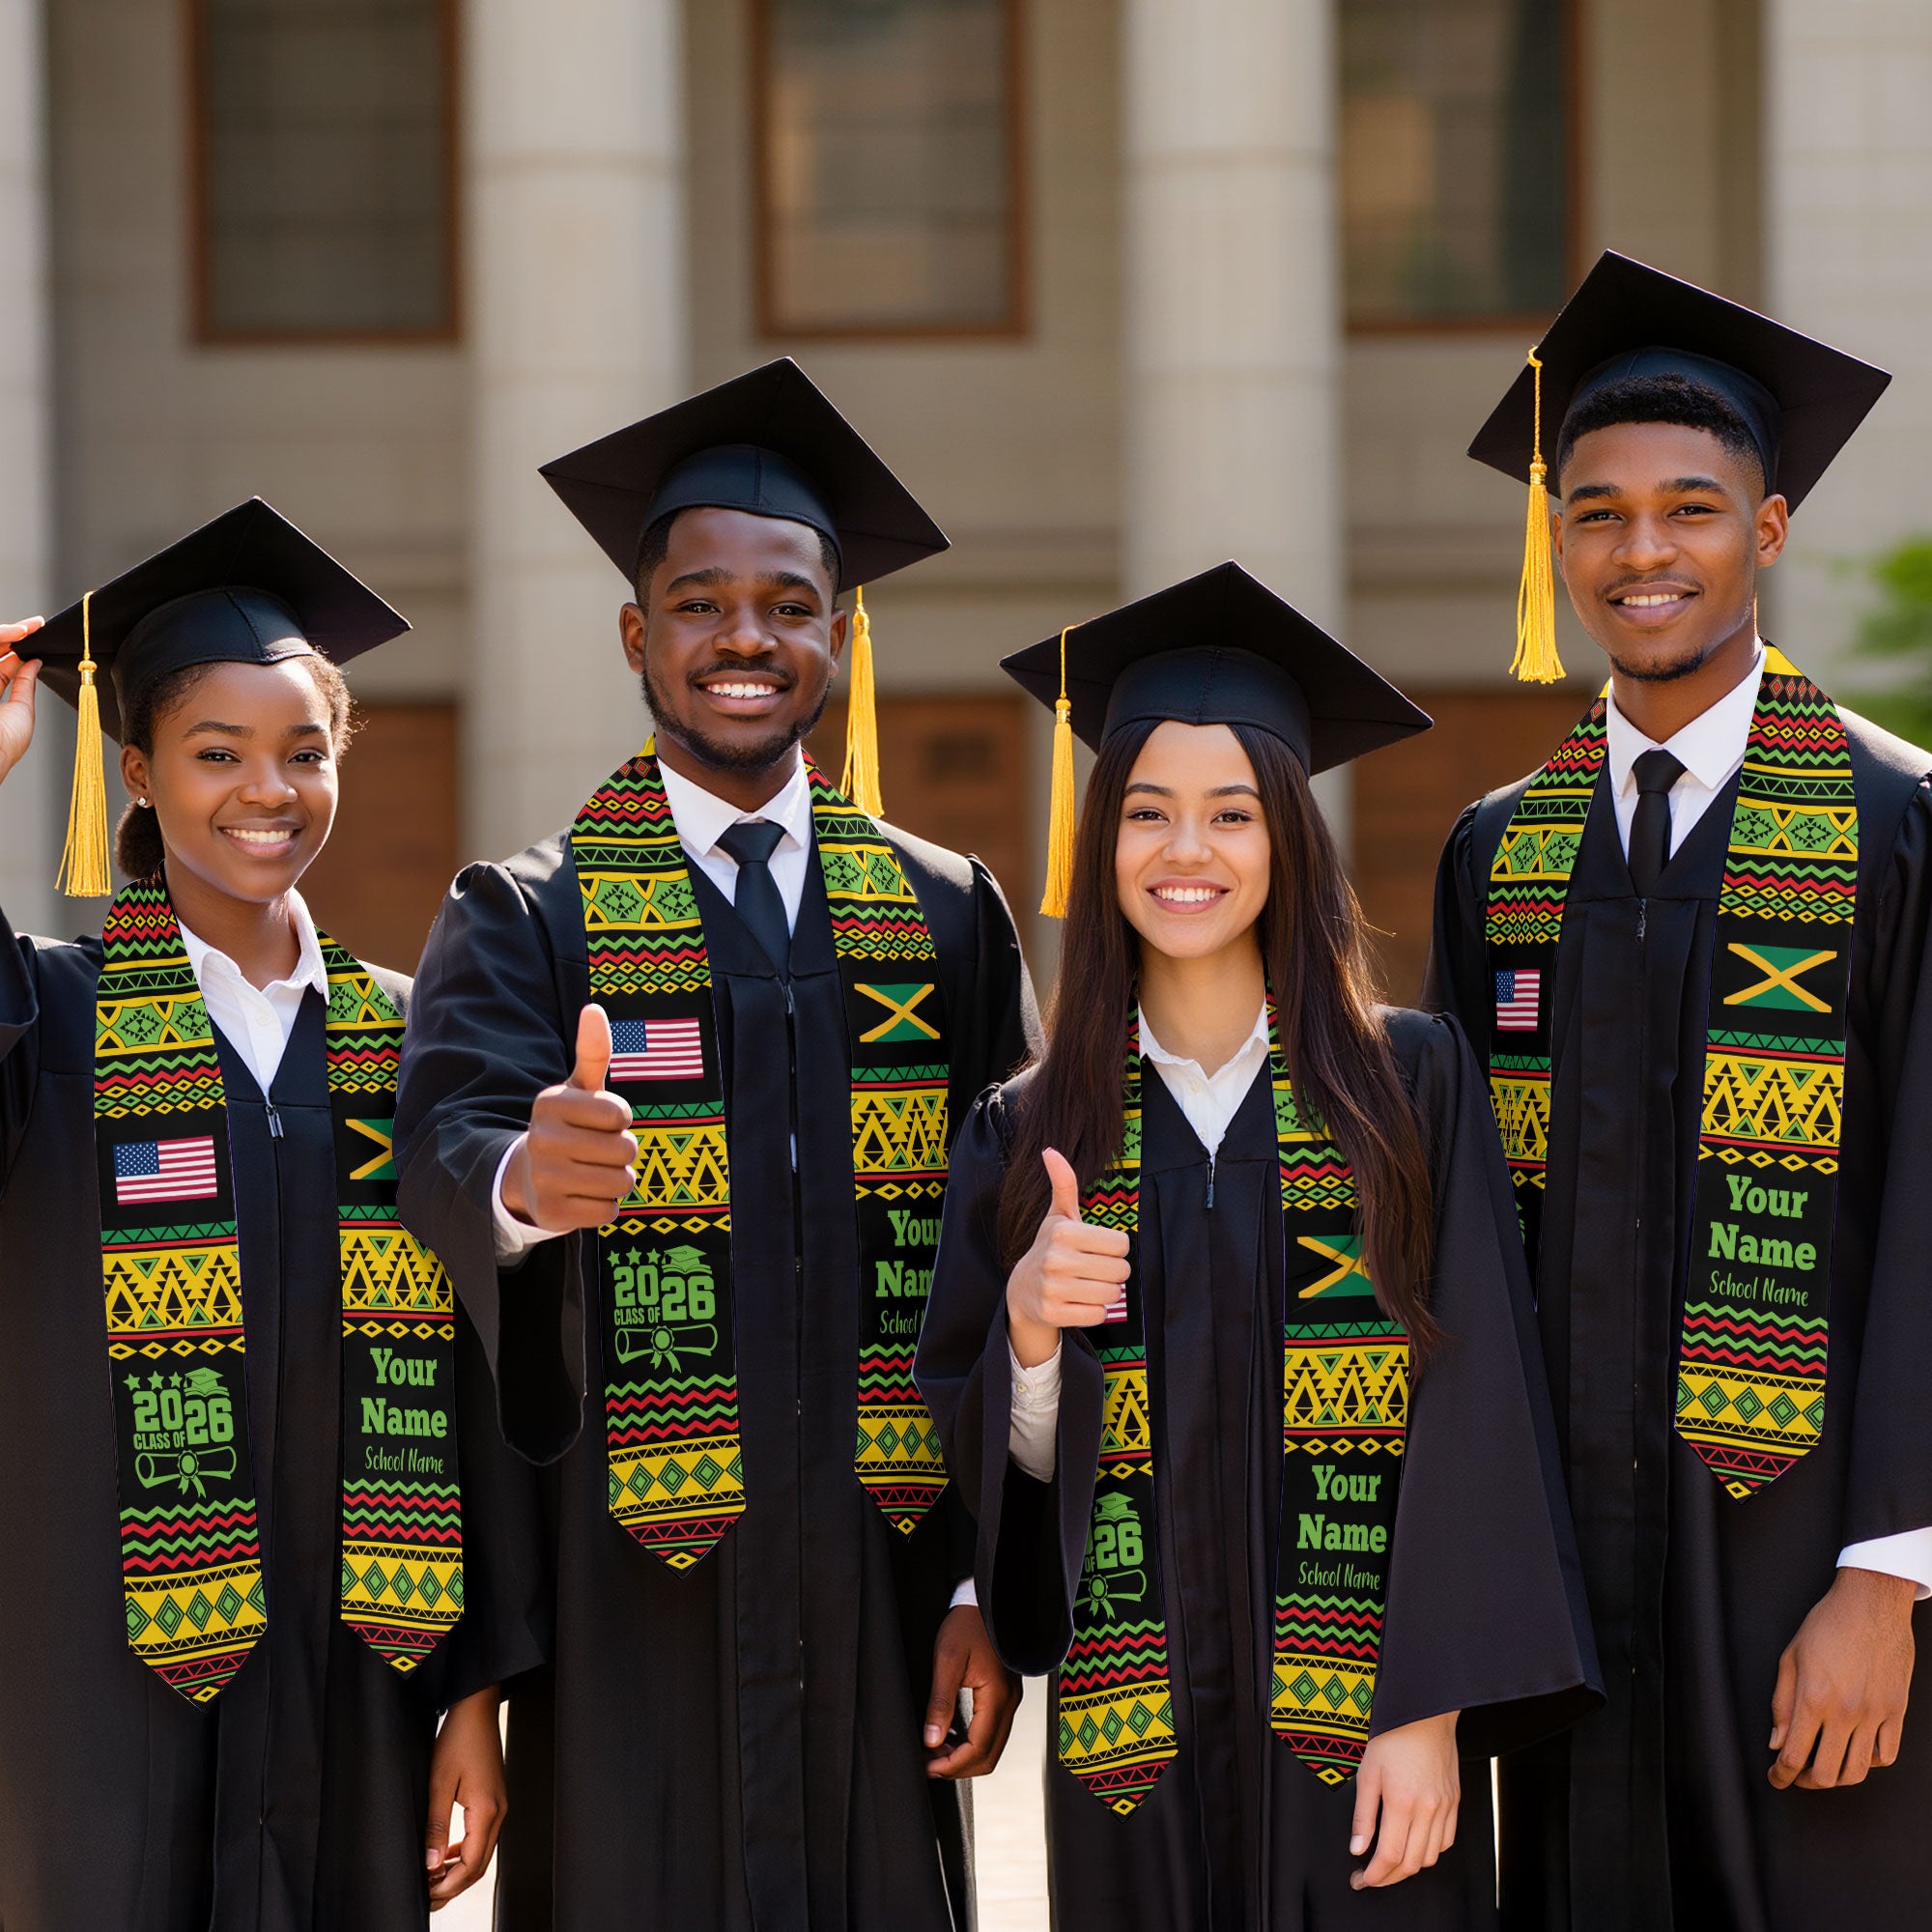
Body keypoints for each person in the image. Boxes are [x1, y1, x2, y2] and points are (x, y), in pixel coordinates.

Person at [393, 358, 1038, 1928]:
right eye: (697, 603)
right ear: (638, 633)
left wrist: (981, 1587)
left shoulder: (944, 914)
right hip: (634, 1608)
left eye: (788, 603)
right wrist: (524, 1185)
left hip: (884, 1592)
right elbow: (442, 1151)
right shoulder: (529, 915)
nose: (744, 638)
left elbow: (1015, 1250)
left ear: (840, 633)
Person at [917, 562, 1598, 1931]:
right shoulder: (1031, 1127)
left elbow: (1480, 1408)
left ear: (1288, 839)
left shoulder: (1412, 1089)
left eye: (1231, 814)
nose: (1188, 853)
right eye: (1149, 813)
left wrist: (1428, 1707)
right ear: (1100, 841)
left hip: (1366, 1742)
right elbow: (996, 1475)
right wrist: (1033, 1340)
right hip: (1133, 1753)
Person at [1427, 250, 1932, 1931]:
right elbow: (1456, 1243)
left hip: (1806, 1562)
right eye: (1598, 511)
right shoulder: (1501, 854)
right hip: (1568, 1571)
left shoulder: (1896, 825)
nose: (1643, 551)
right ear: (1555, 539)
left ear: (1768, 531)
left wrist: (1890, 1572)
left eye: (1692, 508)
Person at [0, 498, 545, 1930]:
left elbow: (487, 1386)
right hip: (91, 1684)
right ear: (134, 771)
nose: (268, 790)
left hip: (359, 1670)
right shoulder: (50, 1018)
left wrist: (476, 1699)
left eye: (305, 753)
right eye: (216, 754)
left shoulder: (415, 1043)